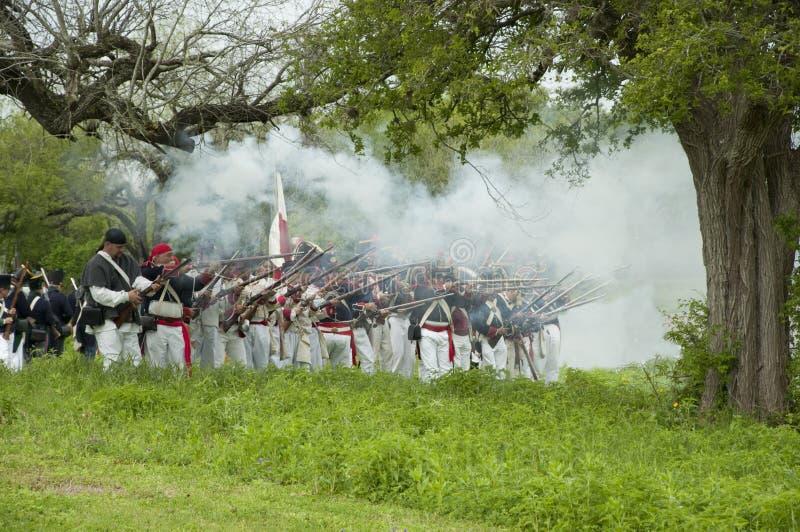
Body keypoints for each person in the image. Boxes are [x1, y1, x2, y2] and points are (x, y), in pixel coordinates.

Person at [79, 228, 159, 370]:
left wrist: (149, 286)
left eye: (123, 247)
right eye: (118, 247)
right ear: (108, 244)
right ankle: (111, 392)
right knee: (112, 362)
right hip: (106, 319)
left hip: (128, 317)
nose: (122, 250)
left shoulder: (128, 260)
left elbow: (137, 280)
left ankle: (131, 392)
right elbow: (99, 294)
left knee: (134, 362)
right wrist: (127, 296)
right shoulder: (95, 264)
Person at [141, 243, 204, 370]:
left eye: (172, 256)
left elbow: (196, 284)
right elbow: (160, 272)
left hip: (176, 325)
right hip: (156, 324)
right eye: (168, 255)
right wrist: (180, 270)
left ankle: (178, 388)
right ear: (155, 258)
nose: (171, 259)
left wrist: (209, 273)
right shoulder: (147, 270)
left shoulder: (176, 274)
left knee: (179, 365)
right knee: (156, 365)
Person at [25, 272, 58, 359]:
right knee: (40, 357)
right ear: (40, 286)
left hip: (28, 332)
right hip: (41, 333)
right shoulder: (43, 302)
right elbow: (50, 319)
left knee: (28, 357)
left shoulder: (26, 299)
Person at [46, 269, 72, 357]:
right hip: (58, 328)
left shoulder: (43, 296)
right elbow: (69, 313)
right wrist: (64, 322)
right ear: (60, 284)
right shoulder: (61, 296)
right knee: (57, 354)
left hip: (44, 329)